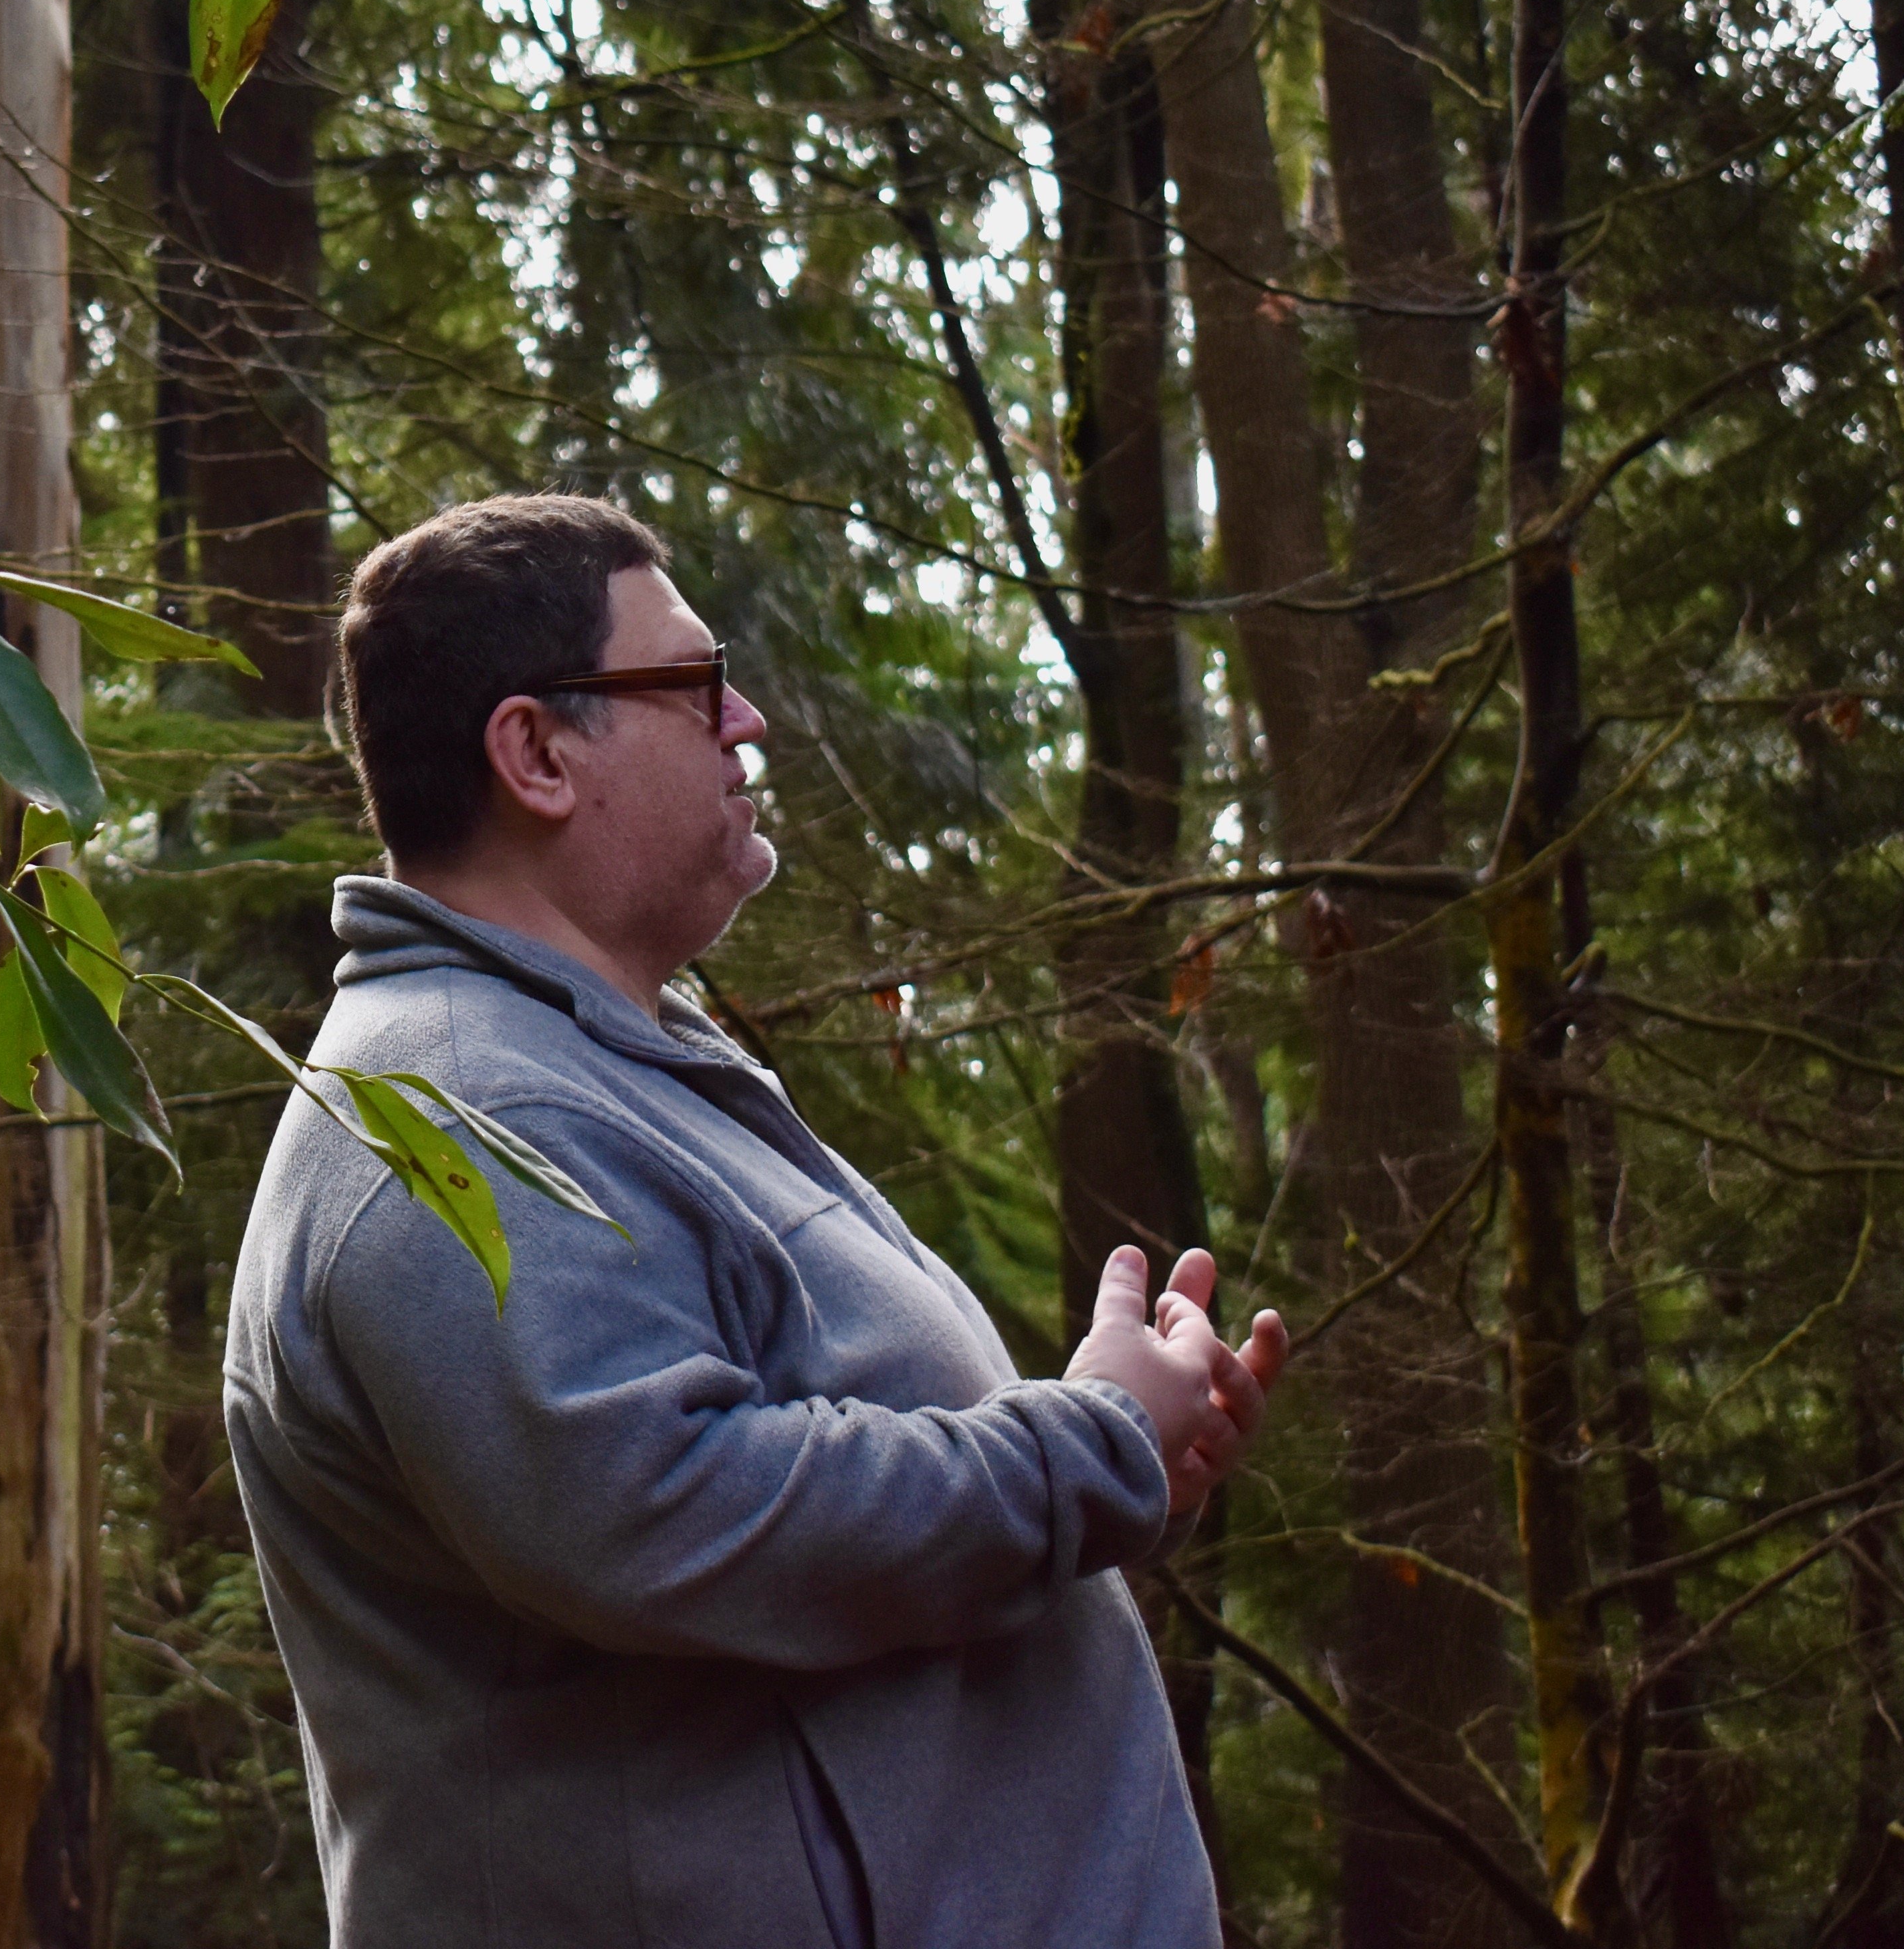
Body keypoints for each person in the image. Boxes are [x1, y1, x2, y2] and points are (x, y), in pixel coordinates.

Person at [225, 495, 1285, 1947]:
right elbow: (667, 1508)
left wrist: (1123, 1458)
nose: (748, 720)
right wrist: (1087, 1446)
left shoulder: (593, 1066)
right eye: (691, 684)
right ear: (536, 752)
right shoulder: (465, 1112)